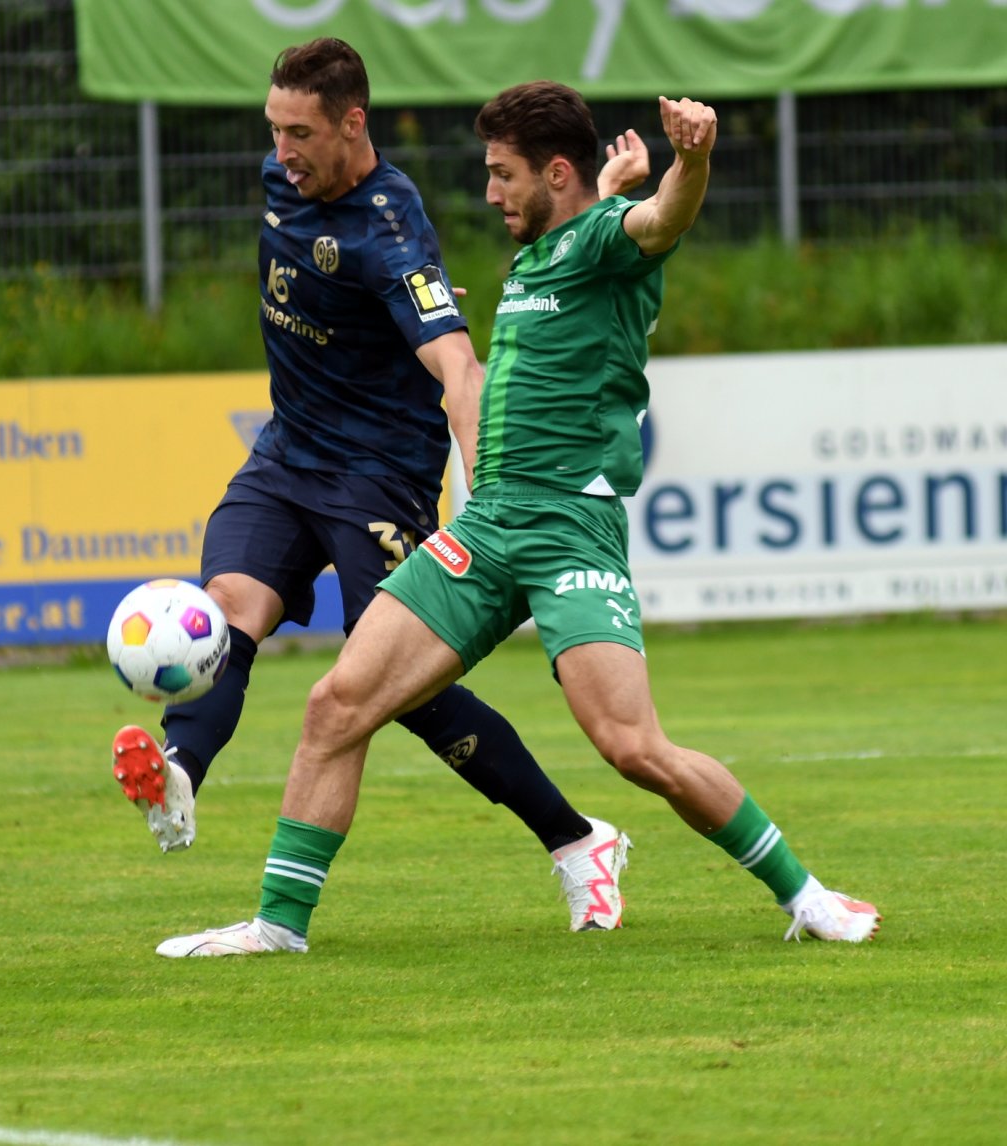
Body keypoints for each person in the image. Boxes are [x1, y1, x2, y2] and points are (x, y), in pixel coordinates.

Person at [154, 80, 883, 958]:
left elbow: (659, 223)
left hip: (569, 530)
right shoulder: (555, 243)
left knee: (630, 745)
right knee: (337, 702)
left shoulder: (610, 238)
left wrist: (691, 161)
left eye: (503, 176)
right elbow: (602, 220)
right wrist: (613, 190)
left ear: (558, 172)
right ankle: (278, 926)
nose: (490, 193)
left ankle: (807, 896)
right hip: (489, 524)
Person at [111, 40, 654, 934]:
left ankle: (575, 837)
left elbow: (457, 368)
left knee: (401, 691)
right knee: (227, 604)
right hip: (287, 456)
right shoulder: (283, 176)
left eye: (301, 133)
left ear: (352, 124)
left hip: (379, 478)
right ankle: (178, 773)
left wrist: (489, 507)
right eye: (274, 129)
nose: (283, 150)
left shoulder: (391, 227)